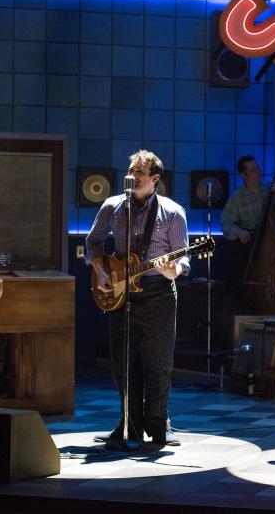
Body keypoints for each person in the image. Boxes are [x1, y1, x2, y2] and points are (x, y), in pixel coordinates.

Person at [86, 150, 189, 448]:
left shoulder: (173, 212)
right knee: (122, 361)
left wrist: (173, 270)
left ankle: (158, 424)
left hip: (158, 291)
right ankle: (128, 423)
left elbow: (183, 261)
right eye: (130, 170)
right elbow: (92, 243)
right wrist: (100, 271)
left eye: (139, 173)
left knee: (159, 361)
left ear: (155, 179)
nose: (131, 177)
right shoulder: (112, 206)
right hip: (120, 294)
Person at [219, 155, 275, 314]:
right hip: (250, 245)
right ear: (243, 175)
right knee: (239, 279)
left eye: (257, 168)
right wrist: (239, 232)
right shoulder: (238, 197)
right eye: (252, 170)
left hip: (271, 244)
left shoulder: (270, 190)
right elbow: (225, 223)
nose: (257, 172)